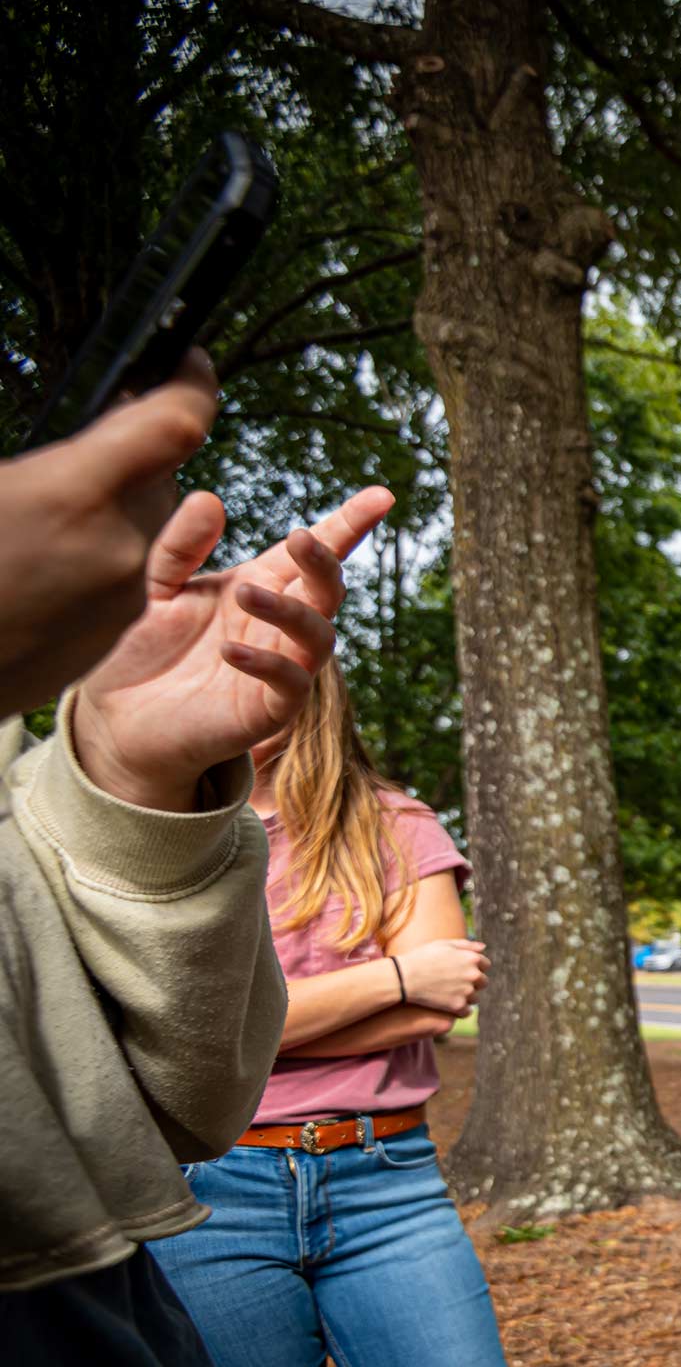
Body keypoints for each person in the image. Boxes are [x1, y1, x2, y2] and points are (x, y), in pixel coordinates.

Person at [0, 349, 394, 1365]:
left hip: (115, 1290)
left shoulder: (38, 775)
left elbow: (180, 1099)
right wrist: (396, 975)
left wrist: (132, 774)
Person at [148, 656, 505, 1367]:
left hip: (387, 1179)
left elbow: (440, 1006)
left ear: (307, 689)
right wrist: (401, 975)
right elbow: (176, 1037)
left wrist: (240, 1034)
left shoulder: (396, 824)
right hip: (209, 1189)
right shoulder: (157, 839)